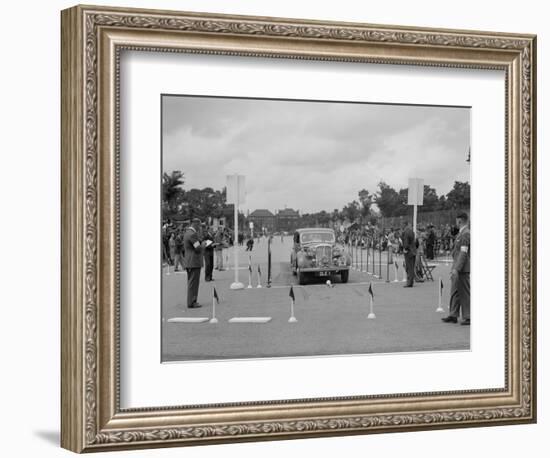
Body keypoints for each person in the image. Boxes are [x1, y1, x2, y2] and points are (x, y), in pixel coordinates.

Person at [442, 212, 471, 325]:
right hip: (457, 266)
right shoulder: (461, 233)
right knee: (455, 291)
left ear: (459, 221)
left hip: (462, 268)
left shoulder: (465, 234)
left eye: (456, 221)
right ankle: (453, 314)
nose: (456, 223)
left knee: (464, 292)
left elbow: (463, 253)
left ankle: (468, 316)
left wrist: (457, 269)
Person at [183, 218, 204, 308]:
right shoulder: (192, 234)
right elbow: (198, 248)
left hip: (189, 261)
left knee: (191, 282)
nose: (200, 227)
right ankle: (192, 302)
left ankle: (191, 301)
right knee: (193, 283)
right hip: (193, 261)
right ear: (195, 224)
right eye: (199, 225)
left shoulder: (187, 233)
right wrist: (203, 244)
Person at [402, 221, 416, 287]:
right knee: (412, 267)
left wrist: (405, 249)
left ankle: (409, 282)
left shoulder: (405, 232)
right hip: (413, 251)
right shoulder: (412, 231)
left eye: (403, 225)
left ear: (405, 225)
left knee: (409, 267)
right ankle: (411, 281)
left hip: (409, 251)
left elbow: (406, 242)